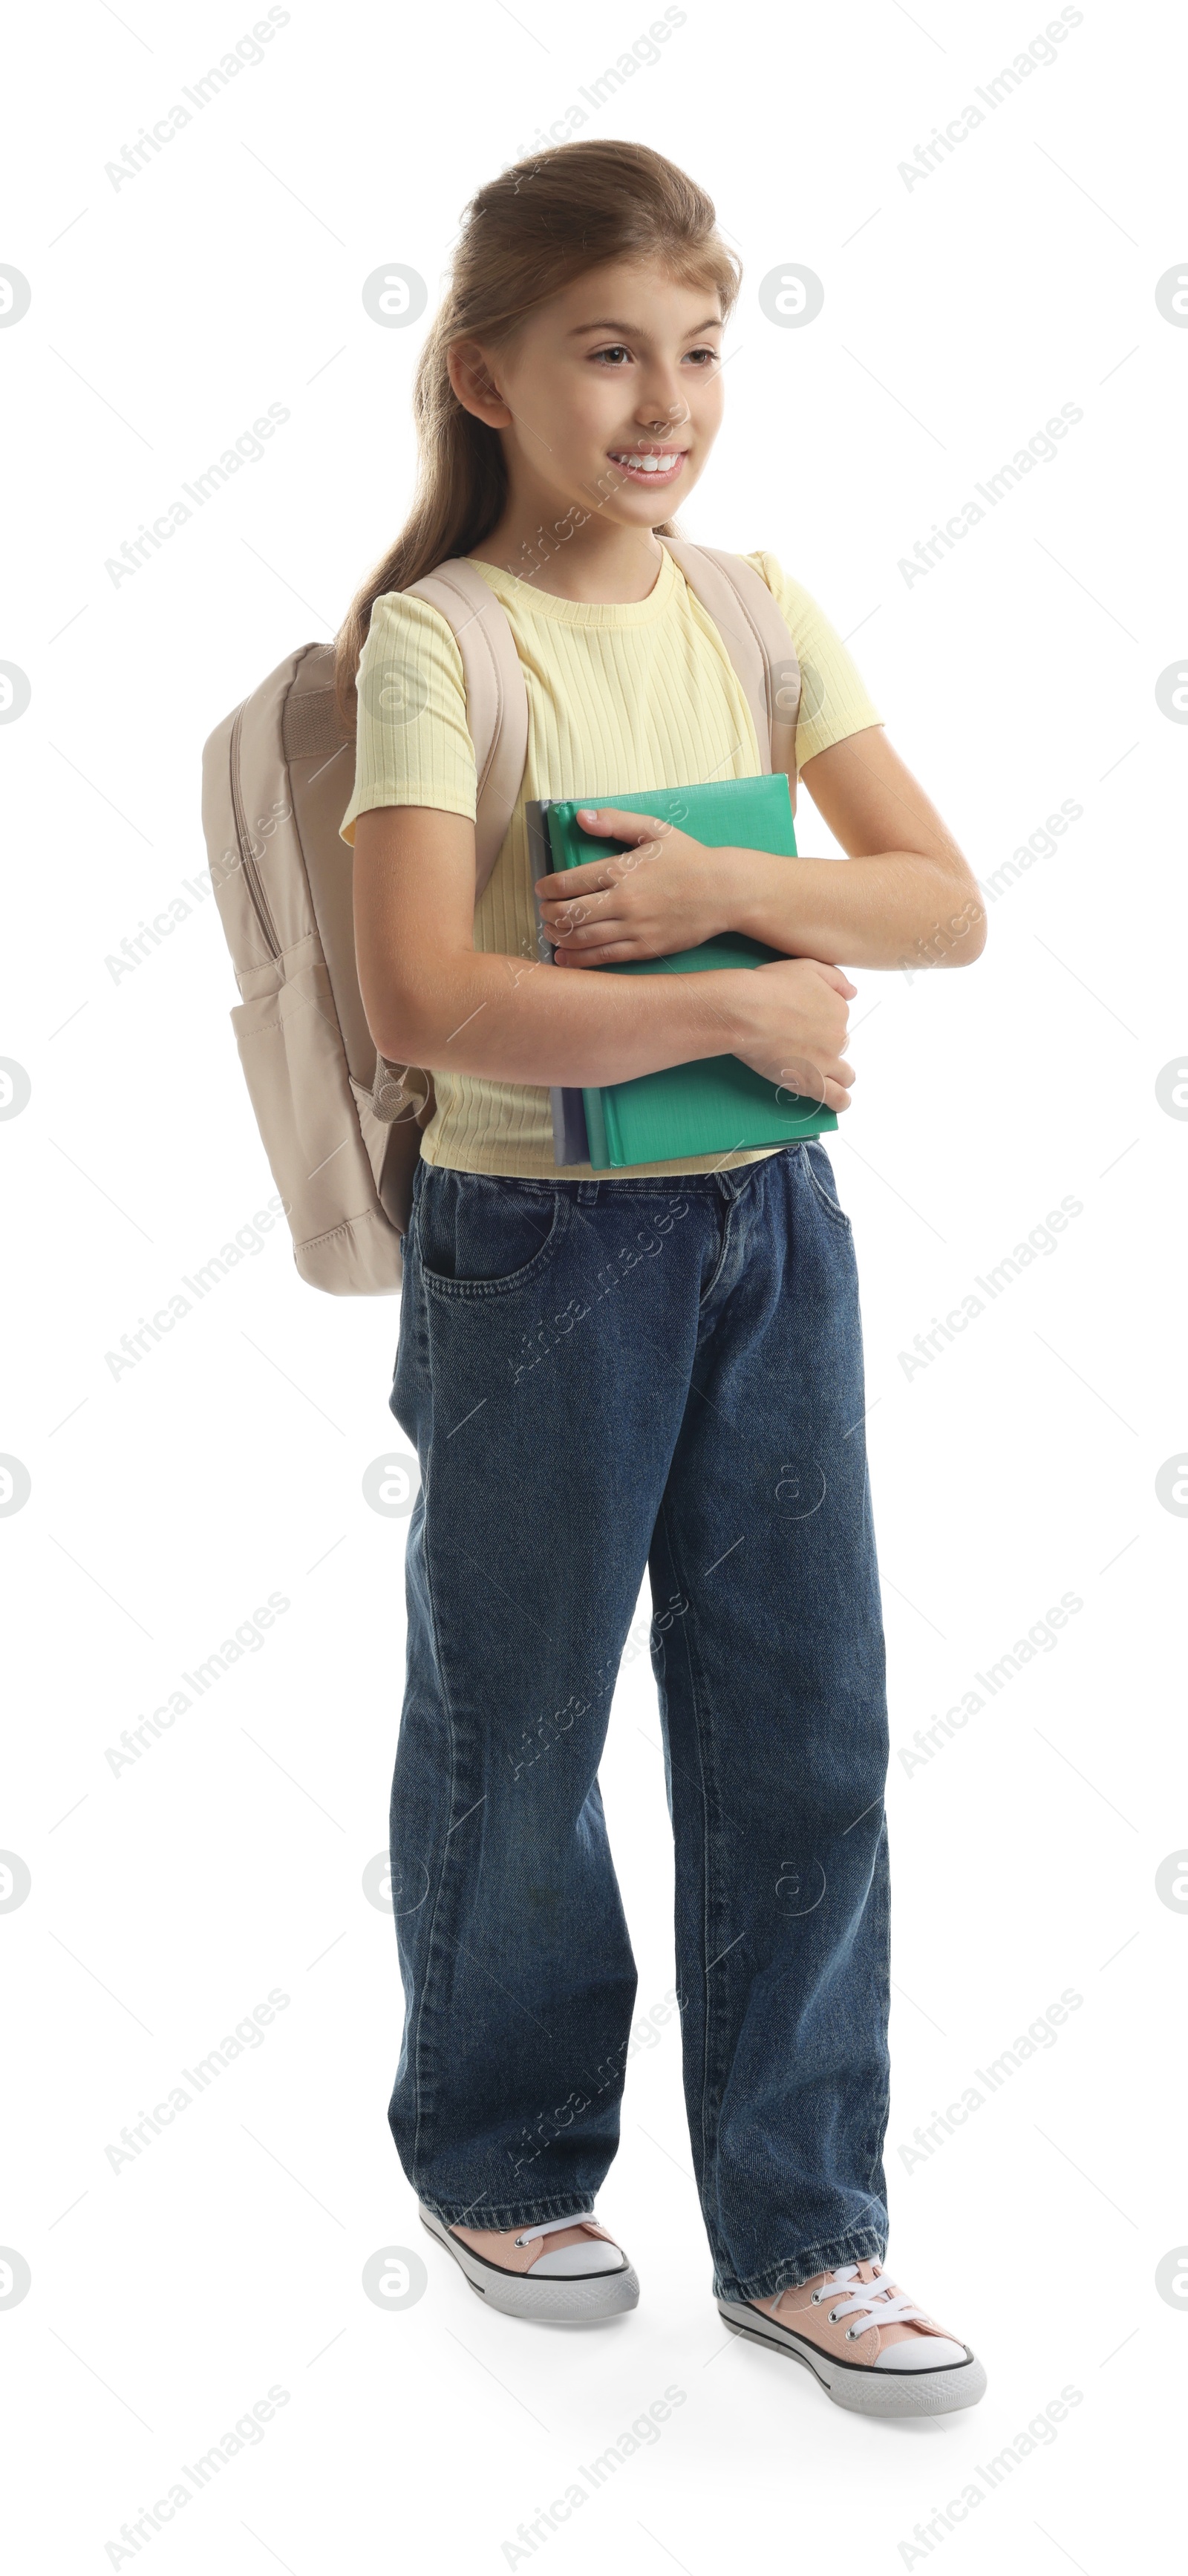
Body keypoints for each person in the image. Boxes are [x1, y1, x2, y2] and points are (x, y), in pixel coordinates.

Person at [338, 139, 988, 2416]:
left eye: (697, 349)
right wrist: (732, 1002)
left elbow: (940, 900)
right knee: (520, 1714)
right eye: (607, 350)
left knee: (802, 1715)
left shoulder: (760, 612)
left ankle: (808, 2226)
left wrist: (744, 922)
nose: (664, 400)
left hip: (762, 1229)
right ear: (488, 375)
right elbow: (425, 998)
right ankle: (501, 2152)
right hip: (537, 1254)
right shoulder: (443, 644)